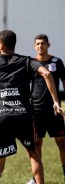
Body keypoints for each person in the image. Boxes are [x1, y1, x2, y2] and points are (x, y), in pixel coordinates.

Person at [0, 30, 64, 184]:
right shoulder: (25, 61)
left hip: (1, 117)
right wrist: (56, 102)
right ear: (14, 44)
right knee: (33, 153)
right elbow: (46, 74)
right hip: (24, 116)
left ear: (0, 45)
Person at [27, 34, 65, 184]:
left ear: (48, 45)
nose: (40, 46)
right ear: (34, 46)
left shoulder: (57, 62)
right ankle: (35, 179)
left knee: (62, 142)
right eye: (37, 44)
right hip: (35, 110)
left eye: (43, 43)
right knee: (36, 144)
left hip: (54, 110)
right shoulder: (31, 63)